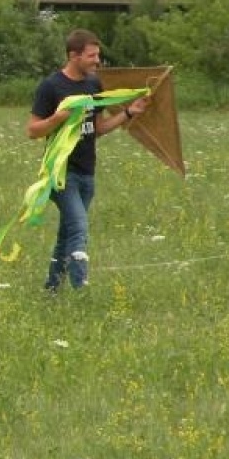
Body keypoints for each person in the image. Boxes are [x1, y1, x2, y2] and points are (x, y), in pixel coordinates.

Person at [27, 29, 149, 291]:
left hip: (87, 173)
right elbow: (33, 131)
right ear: (74, 56)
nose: (97, 61)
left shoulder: (94, 85)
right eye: (92, 56)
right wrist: (58, 118)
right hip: (61, 174)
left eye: (98, 55)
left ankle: (51, 289)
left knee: (66, 234)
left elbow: (98, 129)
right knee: (79, 228)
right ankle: (81, 288)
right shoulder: (51, 87)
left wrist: (129, 112)